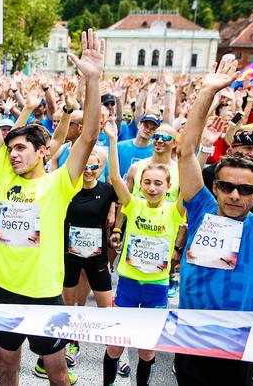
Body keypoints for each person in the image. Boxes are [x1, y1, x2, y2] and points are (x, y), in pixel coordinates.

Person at [0, 30, 102, 386]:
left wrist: (92, 79)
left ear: (42, 151)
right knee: (6, 368)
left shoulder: (58, 183)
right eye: (11, 148)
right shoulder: (4, 174)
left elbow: (89, 135)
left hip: (45, 295)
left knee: (57, 372)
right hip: (3, 290)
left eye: (21, 149)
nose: (13, 154)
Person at [173, 51, 253, 384]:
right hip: (188, 343)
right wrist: (207, 92)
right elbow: (186, 152)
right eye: (227, 187)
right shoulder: (201, 209)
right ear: (214, 188)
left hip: (236, 350)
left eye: (245, 190)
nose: (235, 195)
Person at [103, 117, 186, 386]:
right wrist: (113, 140)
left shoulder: (174, 211)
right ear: (141, 184)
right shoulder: (134, 204)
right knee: (114, 348)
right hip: (127, 284)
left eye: (158, 184)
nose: (151, 188)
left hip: (157, 287)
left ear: (168, 187)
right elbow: (115, 177)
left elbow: (191, 186)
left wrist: (202, 149)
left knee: (147, 350)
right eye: (147, 183)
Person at [61, 150, 116, 367]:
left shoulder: (107, 191)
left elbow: (125, 200)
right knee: (69, 305)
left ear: (101, 169)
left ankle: (114, 351)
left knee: (107, 308)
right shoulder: (67, 190)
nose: (89, 171)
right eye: (85, 166)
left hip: (96, 258)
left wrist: (117, 223)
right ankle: (72, 344)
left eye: (94, 167)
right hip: (70, 257)